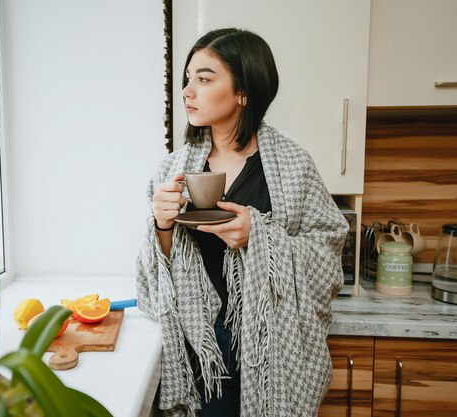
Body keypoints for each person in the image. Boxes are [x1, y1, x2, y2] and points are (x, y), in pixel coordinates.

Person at [136, 27, 349, 417]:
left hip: (269, 348)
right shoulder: (173, 169)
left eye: (203, 79)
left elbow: (329, 254)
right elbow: (154, 276)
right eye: (187, 80)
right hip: (196, 348)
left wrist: (259, 236)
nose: (187, 91)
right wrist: (162, 225)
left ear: (243, 92)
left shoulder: (292, 167)